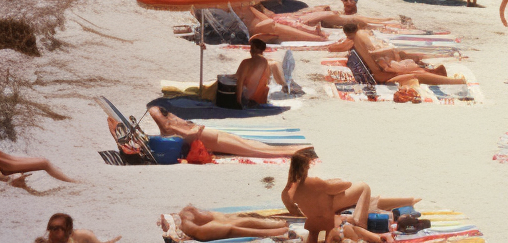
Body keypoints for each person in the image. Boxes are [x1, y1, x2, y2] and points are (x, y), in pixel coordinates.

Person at [282, 150, 415, 243]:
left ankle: (354, 221)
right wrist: (333, 182)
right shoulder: (314, 182)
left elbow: (294, 210)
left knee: (314, 234)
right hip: (328, 211)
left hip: (313, 218)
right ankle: (360, 223)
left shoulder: (288, 190)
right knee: (363, 186)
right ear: (306, 165)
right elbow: (344, 185)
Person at [146, 105, 311, 158]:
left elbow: (154, 111)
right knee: (251, 146)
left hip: (205, 135)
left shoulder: (168, 126)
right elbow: (186, 130)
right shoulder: (171, 122)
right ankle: (295, 150)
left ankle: (295, 151)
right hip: (205, 133)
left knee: (252, 148)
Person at [234, 38, 300, 105]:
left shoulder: (246, 62)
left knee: (274, 66)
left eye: (251, 48)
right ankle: (285, 83)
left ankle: (285, 83)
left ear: (254, 49)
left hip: (250, 96)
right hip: (261, 97)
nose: (250, 51)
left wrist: (238, 101)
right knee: (274, 65)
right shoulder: (265, 62)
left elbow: (239, 80)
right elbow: (266, 80)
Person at [173, 207, 291, 242]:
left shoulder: (189, 214)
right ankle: (278, 229)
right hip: (199, 228)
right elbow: (232, 229)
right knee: (239, 224)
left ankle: (278, 228)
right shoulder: (198, 227)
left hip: (197, 223)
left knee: (242, 221)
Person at [1, 150, 77, 188]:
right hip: (5, 165)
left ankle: (10, 176)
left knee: (44, 162)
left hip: (5, 163)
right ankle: (74, 182)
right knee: (44, 163)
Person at [36, 214, 117, 243]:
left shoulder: (83, 236)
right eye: (51, 228)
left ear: (69, 232)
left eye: (57, 229)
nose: (52, 232)